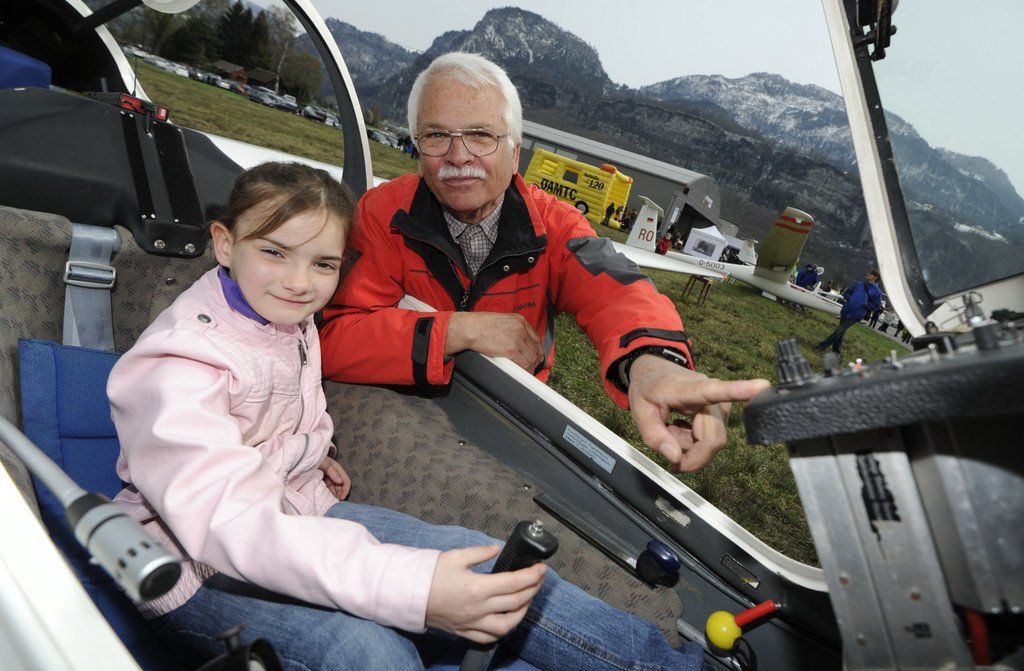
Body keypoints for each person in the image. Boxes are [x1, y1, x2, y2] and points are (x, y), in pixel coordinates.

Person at [107, 162, 710, 671]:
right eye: (274, 252)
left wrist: (311, 451)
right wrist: (417, 590)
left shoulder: (282, 316)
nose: (299, 283)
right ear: (223, 244)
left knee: (494, 566)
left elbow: (287, 401)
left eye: (323, 264)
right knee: (368, 652)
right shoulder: (177, 365)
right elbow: (229, 526)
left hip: (301, 510)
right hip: (186, 569)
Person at [320, 52, 768, 474]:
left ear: (515, 152)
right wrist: (456, 330)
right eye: (437, 136)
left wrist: (652, 360)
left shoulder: (555, 226)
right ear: (418, 146)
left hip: (505, 412)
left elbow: (613, 288)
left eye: (481, 135)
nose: (458, 157)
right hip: (396, 400)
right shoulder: (383, 214)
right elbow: (332, 337)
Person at [816, 268, 883, 354]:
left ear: (875, 277)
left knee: (840, 330)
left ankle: (821, 346)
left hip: (857, 314)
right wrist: (850, 298)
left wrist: (865, 304)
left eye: (870, 273)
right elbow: (846, 293)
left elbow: (876, 305)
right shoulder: (858, 284)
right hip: (846, 310)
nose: (867, 274)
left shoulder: (877, 292)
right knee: (841, 331)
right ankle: (836, 352)